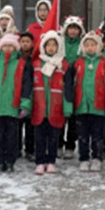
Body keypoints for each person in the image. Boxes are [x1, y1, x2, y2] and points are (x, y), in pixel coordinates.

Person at [0, 33, 32, 172]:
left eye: (11, 46)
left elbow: (27, 85)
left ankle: (10, 161)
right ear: (0, 48)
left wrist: (25, 104)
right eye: (5, 46)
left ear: (16, 48)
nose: (8, 48)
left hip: (13, 107)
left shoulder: (22, 64)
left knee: (12, 137)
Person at [64, 31, 105, 172]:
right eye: (87, 45)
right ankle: (84, 158)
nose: (90, 48)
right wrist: (69, 103)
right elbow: (70, 85)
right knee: (82, 135)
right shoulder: (77, 64)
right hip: (81, 106)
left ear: (98, 46)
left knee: (97, 135)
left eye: (93, 45)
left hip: (98, 106)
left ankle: (97, 157)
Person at [31, 30, 69, 175]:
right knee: (40, 138)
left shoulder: (63, 65)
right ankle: (40, 162)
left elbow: (67, 88)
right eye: (48, 45)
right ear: (43, 46)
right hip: (39, 108)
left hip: (55, 108)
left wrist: (67, 106)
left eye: (54, 45)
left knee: (53, 138)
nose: (51, 48)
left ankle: (51, 161)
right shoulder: (36, 64)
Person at [59, 16, 84, 159]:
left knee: (74, 116)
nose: (73, 31)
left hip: (77, 83)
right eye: (70, 28)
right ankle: (58, 143)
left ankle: (70, 145)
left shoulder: (82, 43)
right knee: (60, 114)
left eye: (76, 28)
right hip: (61, 81)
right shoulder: (60, 42)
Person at [18, 31, 36, 160]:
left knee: (31, 125)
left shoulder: (35, 58)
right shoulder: (15, 57)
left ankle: (30, 149)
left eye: (27, 42)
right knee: (17, 125)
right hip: (18, 95)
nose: (25, 44)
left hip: (33, 94)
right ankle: (17, 148)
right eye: (22, 41)